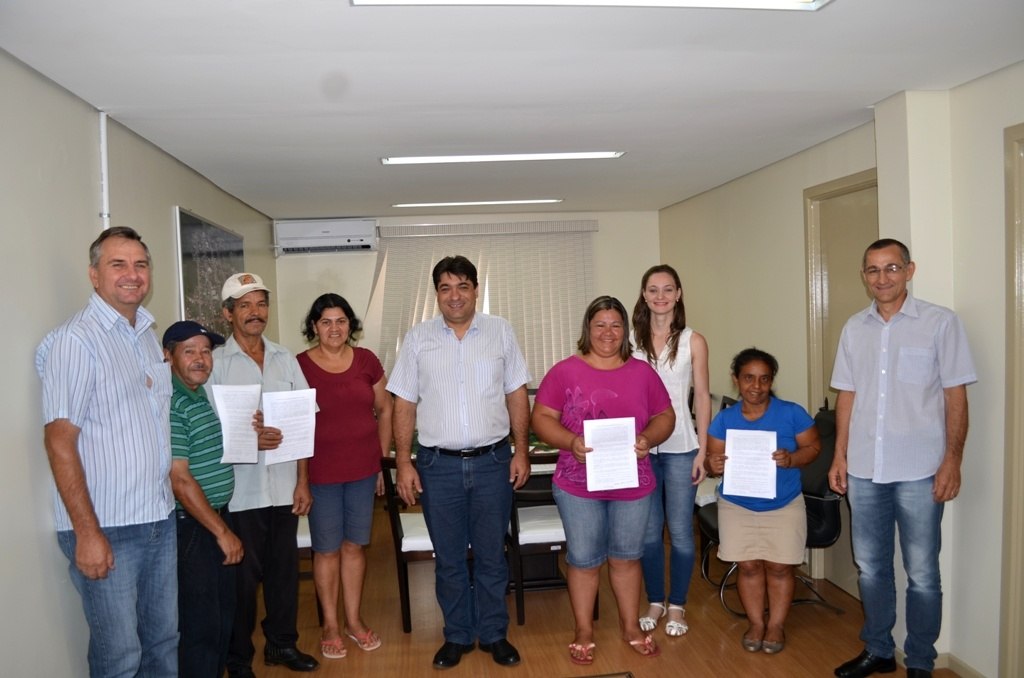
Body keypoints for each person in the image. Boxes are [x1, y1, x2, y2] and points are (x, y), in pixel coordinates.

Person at [829, 239, 976, 678]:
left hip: (920, 470)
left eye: (892, 268)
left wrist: (952, 460)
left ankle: (920, 661)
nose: (882, 278)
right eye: (873, 270)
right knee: (871, 568)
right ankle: (879, 649)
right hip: (864, 469)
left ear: (909, 271)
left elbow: (955, 396)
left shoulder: (940, 323)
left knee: (923, 573)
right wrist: (839, 456)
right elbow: (847, 396)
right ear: (864, 276)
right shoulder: (854, 328)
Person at [36, 226, 178, 677]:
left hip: (158, 518)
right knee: (120, 659)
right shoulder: (75, 341)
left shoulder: (146, 334)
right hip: (107, 527)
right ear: (94, 275)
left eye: (140, 264)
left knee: (163, 646)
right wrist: (87, 533)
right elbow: (59, 441)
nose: (132, 274)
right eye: (118, 264)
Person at [388, 255, 530, 670]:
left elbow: (516, 394)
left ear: (475, 291)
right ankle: (457, 635)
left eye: (463, 286)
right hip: (439, 467)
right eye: (446, 288)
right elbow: (403, 404)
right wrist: (404, 462)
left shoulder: (500, 331)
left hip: (492, 463)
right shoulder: (418, 339)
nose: (455, 296)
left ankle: (494, 634)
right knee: (448, 559)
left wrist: (521, 451)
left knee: (491, 555)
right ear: (437, 294)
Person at [531, 295, 675, 667]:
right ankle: (583, 630)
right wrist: (571, 442)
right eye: (600, 325)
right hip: (578, 485)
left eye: (615, 325)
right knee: (583, 561)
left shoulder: (642, 373)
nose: (608, 333)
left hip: (632, 482)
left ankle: (630, 626)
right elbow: (541, 418)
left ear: (625, 330)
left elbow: (666, 416)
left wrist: (648, 439)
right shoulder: (564, 371)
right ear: (588, 328)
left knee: (627, 558)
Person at [208, 272, 319, 677]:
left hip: (284, 487)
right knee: (241, 582)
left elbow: (303, 422)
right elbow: (209, 430)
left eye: (260, 304)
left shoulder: (284, 358)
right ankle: (238, 659)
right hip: (241, 492)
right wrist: (249, 438)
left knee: (283, 575)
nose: (255, 313)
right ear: (228, 314)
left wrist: (302, 482)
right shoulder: (216, 364)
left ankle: (282, 645)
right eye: (245, 306)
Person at [705, 348, 820, 655]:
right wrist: (712, 465)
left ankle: (776, 625)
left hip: (783, 503)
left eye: (764, 379)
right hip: (737, 506)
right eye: (748, 378)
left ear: (771, 381)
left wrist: (792, 458)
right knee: (749, 566)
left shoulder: (791, 413)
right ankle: (756, 623)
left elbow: (813, 448)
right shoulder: (724, 419)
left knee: (780, 567)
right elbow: (711, 460)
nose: (756, 386)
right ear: (736, 380)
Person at [296, 293, 392, 659]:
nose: (334, 328)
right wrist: (301, 480)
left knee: (354, 546)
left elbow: (385, 409)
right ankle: (330, 625)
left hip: (363, 471)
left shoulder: (367, 360)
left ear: (350, 324)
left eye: (340, 321)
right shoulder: (299, 366)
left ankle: (353, 621)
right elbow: (295, 422)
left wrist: (382, 462)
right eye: (326, 322)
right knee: (326, 549)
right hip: (321, 474)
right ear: (314, 327)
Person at [632, 264, 711, 638]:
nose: (660, 296)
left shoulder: (694, 340)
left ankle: (677, 604)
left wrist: (703, 450)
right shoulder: (630, 342)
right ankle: (655, 601)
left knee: (680, 532)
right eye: (653, 289)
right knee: (649, 533)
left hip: (682, 448)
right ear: (644, 295)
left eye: (667, 289)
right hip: (642, 450)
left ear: (678, 294)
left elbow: (703, 398)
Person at [164, 320, 243, 678]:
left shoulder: (197, 396)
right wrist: (221, 531)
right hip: (195, 528)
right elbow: (180, 480)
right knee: (201, 627)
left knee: (222, 617)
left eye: (206, 351)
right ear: (168, 357)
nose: (200, 358)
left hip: (214, 520)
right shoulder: (173, 403)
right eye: (189, 351)